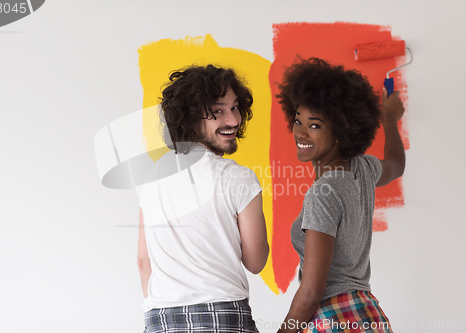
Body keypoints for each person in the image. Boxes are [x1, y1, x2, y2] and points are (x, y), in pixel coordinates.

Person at [275, 58, 405, 333]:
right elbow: (396, 164)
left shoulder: (323, 193)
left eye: (315, 125)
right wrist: (389, 118)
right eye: (298, 120)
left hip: (335, 319)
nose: (300, 132)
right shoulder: (362, 168)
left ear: (341, 131)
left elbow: (310, 294)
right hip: (368, 314)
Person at [137, 64, 269, 333]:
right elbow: (256, 262)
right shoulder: (238, 177)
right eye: (218, 112)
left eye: (235, 108)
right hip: (223, 315)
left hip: (160, 318)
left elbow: (143, 261)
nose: (233, 120)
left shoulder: (151, 176)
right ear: (189, 118)